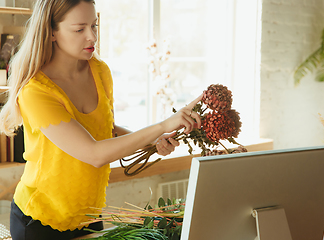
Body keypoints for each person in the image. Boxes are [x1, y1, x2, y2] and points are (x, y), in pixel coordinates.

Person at [0, 0, 202, 239]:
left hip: (90, 215)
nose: (92, 37)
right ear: (51, 31)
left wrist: (155, 140)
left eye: (94, 26)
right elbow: (94, 153)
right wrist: (164, 124)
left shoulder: (99, 71)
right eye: (79, 29)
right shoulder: (36, 91)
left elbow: (106, 129)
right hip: (40, 221)